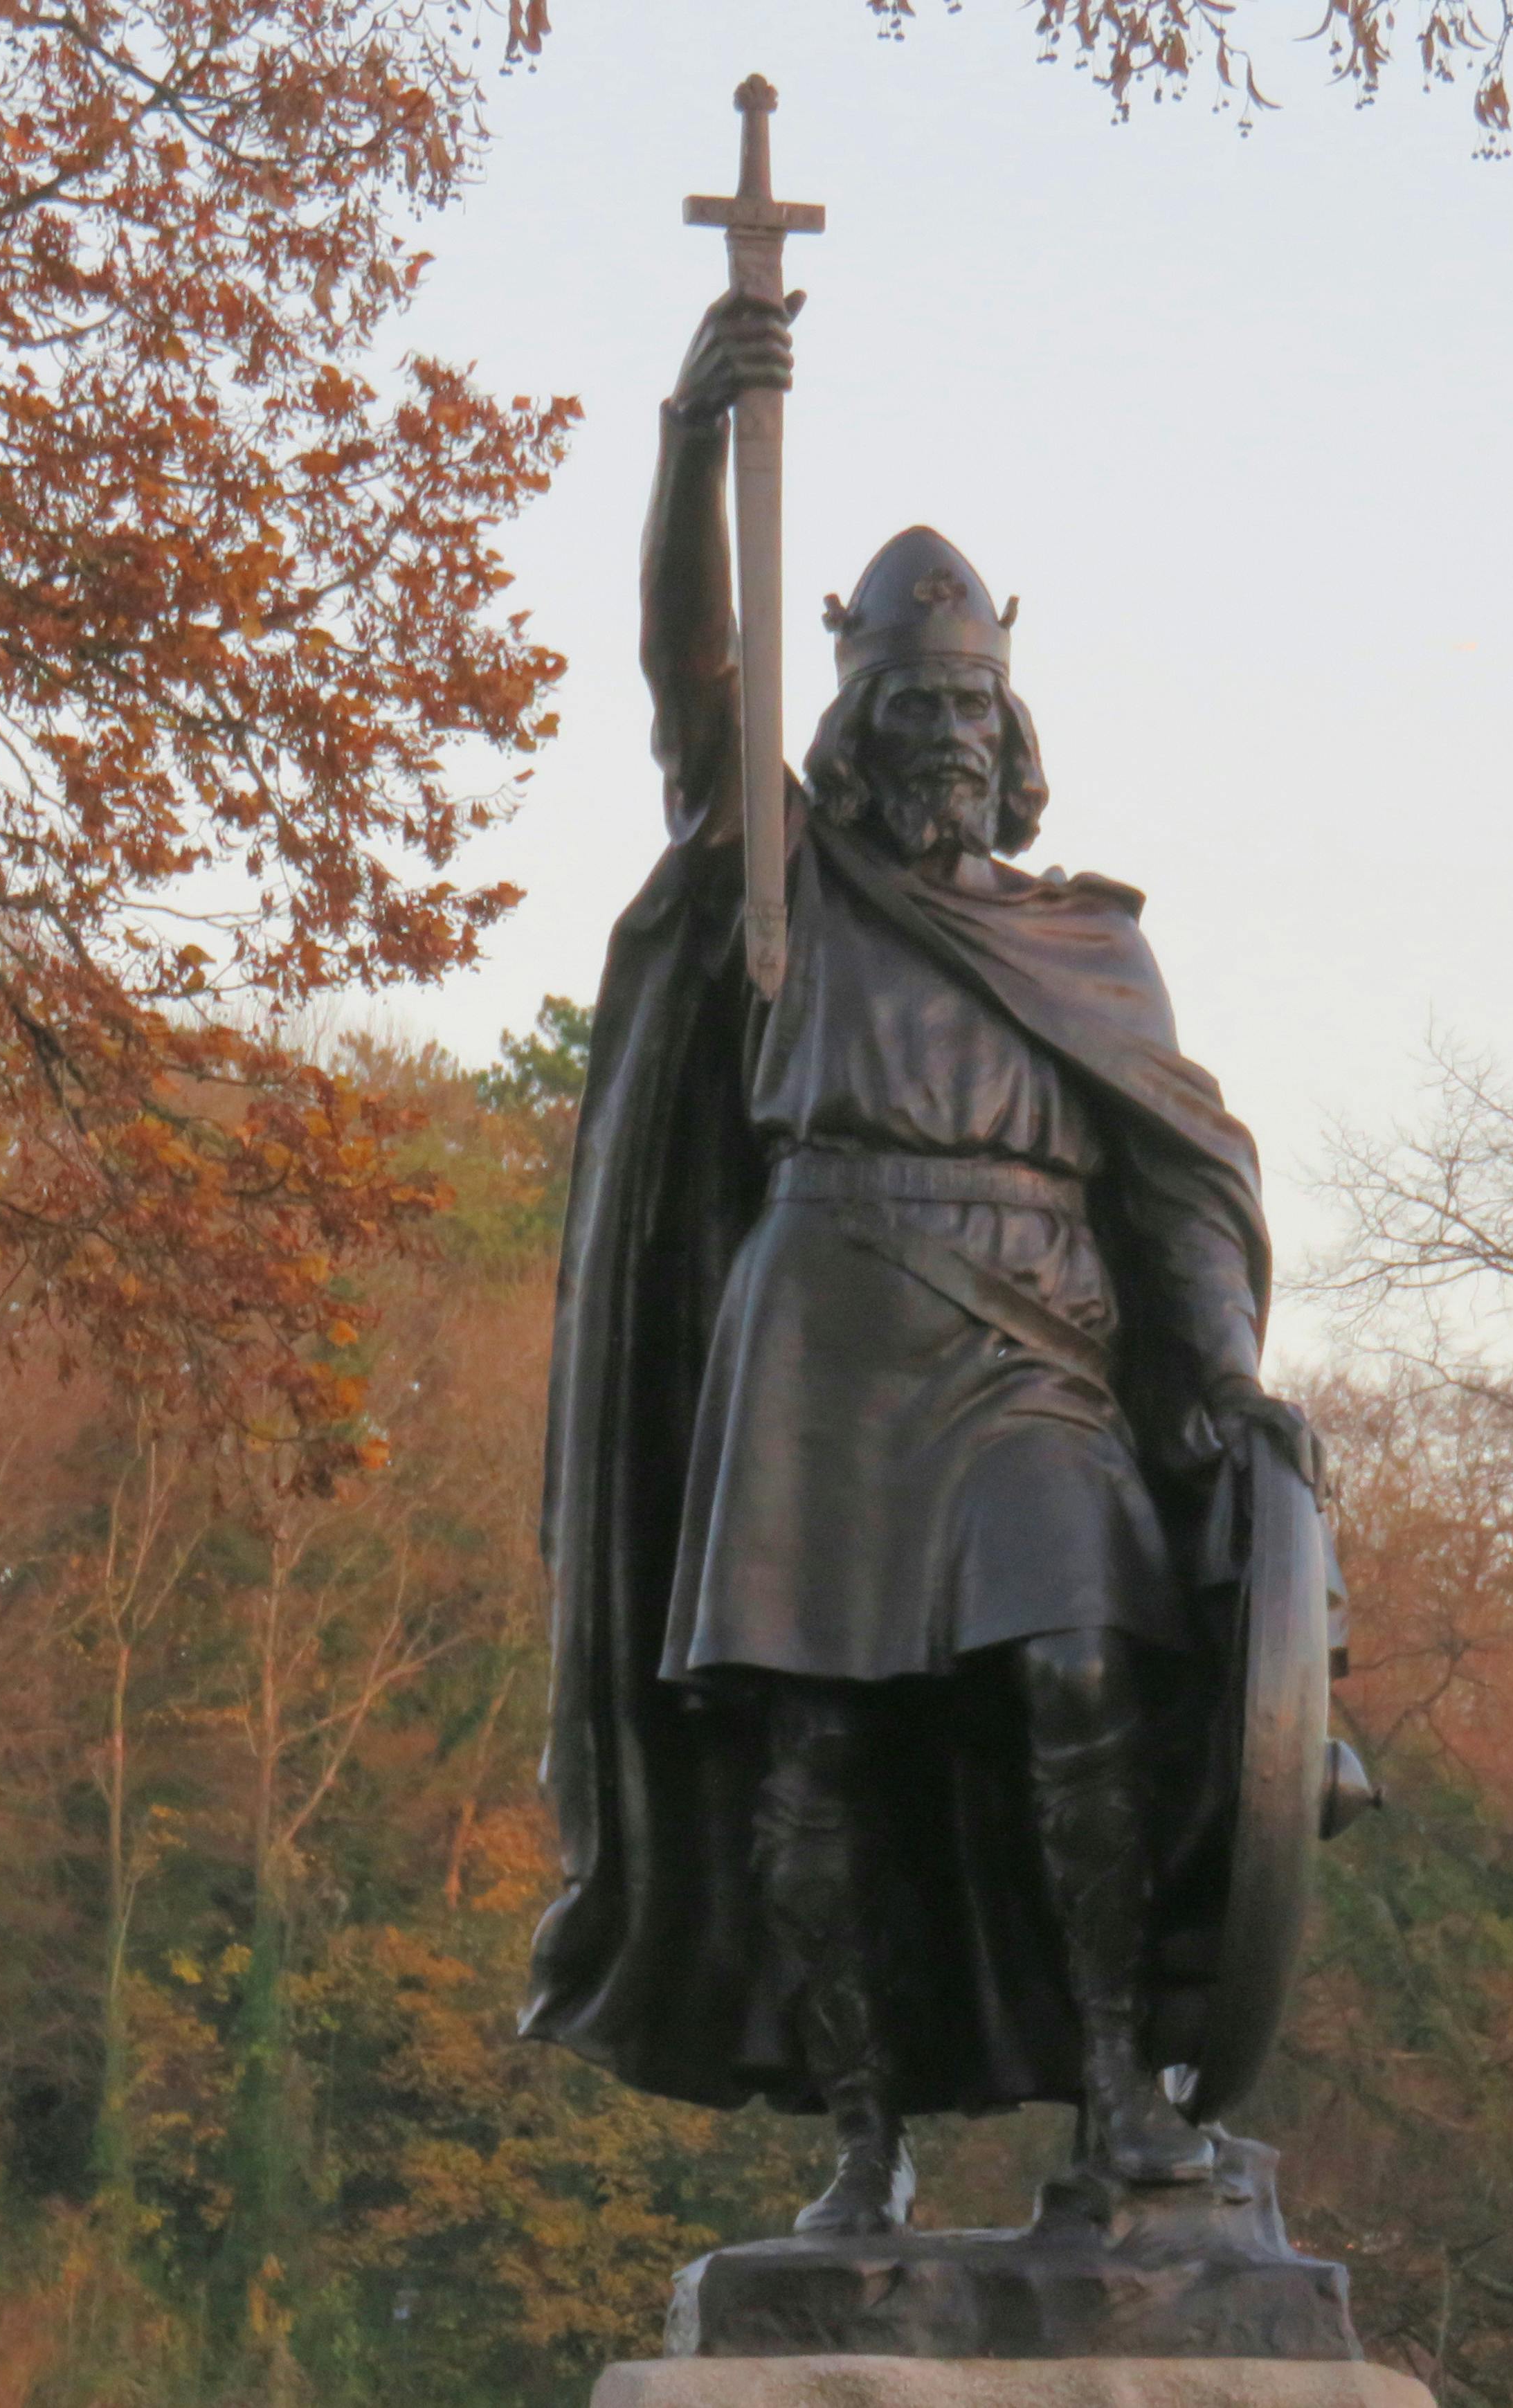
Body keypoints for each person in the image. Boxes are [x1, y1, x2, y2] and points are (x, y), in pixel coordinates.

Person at [523, 287, 1314, 2238]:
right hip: (820, 1326)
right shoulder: (787, 883)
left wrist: (1213, 1377)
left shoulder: (1089, 947)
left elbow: (1182, 1190)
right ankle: (858, 2138)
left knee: (1081, 1673)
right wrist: (694, 444)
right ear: (860, 723)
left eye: (972, 713)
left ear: (1011, 732)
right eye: (913, 710)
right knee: (818, 1744)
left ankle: (1128, 2088)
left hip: (1037, 1344)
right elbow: (686, 671)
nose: (945, 739)